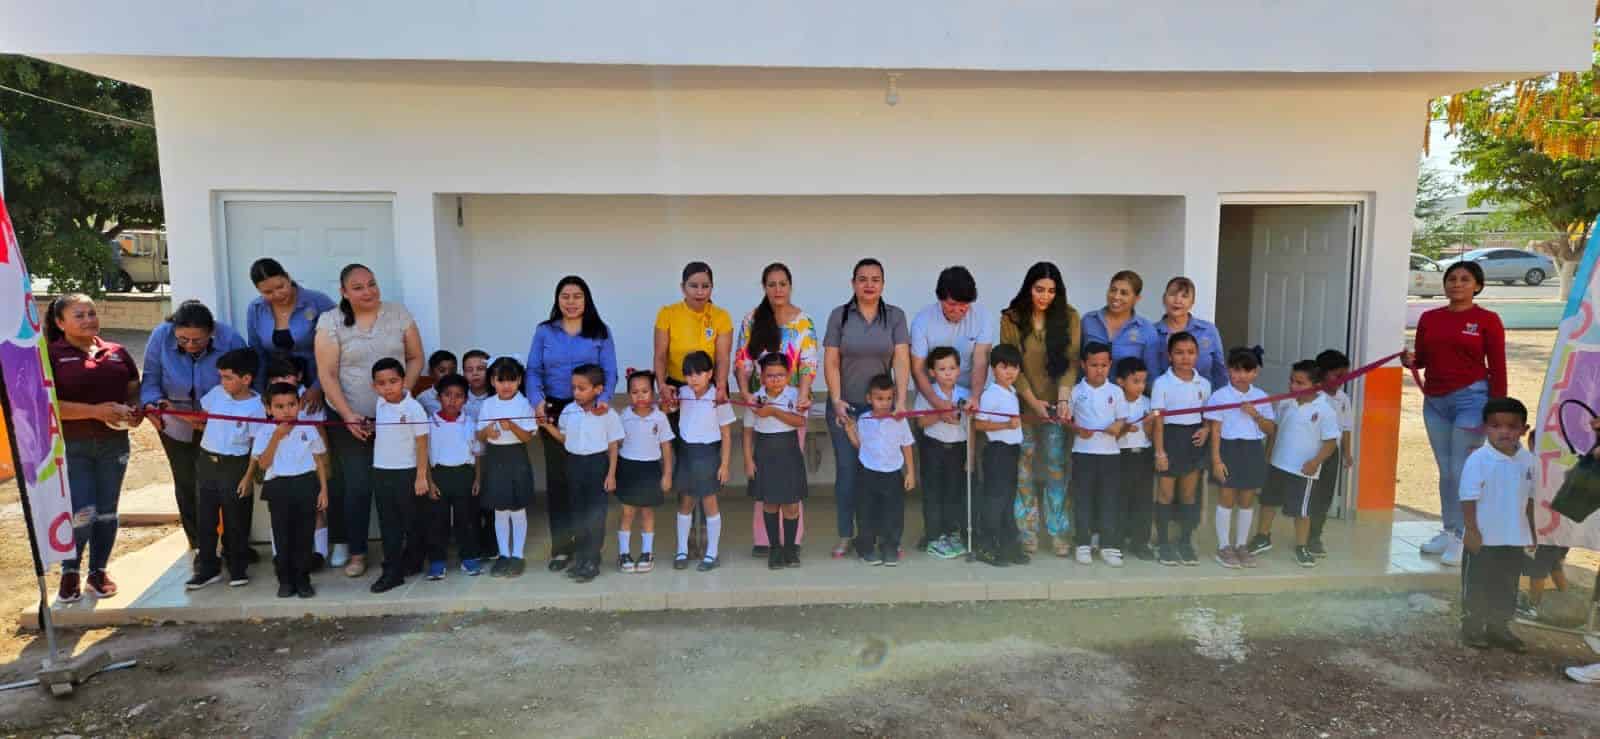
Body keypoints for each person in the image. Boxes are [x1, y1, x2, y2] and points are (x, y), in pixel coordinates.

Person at [313, 263, 424, 577]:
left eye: (372, 284)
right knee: (358, 487)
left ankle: (405, 551)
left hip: (396, 419)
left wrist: (401, 397)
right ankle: (357, 552)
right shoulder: (331, 322)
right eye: (358, 287)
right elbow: (327, 373)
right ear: (344, 292)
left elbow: (416, 357)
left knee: (399, 487)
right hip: (352, 422)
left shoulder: (397, 314)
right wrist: (348, 416)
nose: (368, 292)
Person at [1401, 260, 1506, 567]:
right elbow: (1421, 359)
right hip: (1435, 402)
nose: (1456, 284)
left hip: (1471, 400)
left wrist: (1497, 411)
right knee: (1446, 471)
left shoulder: (1487, 320)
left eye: (1464, 279)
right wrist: (1410, 359)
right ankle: (1449, 531)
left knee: (1462, 470)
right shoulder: (1429, 317)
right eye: (1451, 279)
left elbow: (1497, 366)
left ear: (1477, 286)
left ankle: (1463, 536)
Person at [47, 294, 141, 602]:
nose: (88, 319)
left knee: (107, 512)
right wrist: (96, 411)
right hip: (73, 446)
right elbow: (46, 406)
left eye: (91, 313)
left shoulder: (116, 352)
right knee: (82, 510)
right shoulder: (50, 356)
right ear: (60, 323)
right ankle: (69, 571)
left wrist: (134, 411)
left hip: (114, 445)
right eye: (79, 315)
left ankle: (98, 572)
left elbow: (133, 391)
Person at [139, 299, 249, 559]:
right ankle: (200, 546)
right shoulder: (159, 337)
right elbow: (151, 380)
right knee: (187, 483)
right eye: (182, 339)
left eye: (197, 340)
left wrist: (220, 415)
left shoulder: (230, 338)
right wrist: (155, 406)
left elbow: (247, 381)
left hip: (220, 421)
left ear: (211, 332)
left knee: (229, 484)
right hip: (175, 423)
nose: (189, 345)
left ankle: (235, 547)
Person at [527, 275, 619, 571]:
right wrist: (537, 401)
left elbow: (610, 370)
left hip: (591, 410)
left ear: (586, 299)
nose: (570, 302)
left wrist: (603, 399)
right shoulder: (544, 331)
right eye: (564, 296)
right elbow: (532, 370)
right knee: (560, 482)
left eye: (577, 296)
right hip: (555, 410)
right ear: (557, 300)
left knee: (590, 485)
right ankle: (562, 549)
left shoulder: (600, 332)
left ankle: (590, 550)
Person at [824, 258, 911, 558]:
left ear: (883, 284)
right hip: (846, 408)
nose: (869, 284)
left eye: (875, 279)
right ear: (853, 283)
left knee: (885, 476)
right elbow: (832, 361)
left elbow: (901, 360)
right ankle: (848, 535)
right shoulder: (840, 316)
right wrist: (836, 400)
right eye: (862, 279)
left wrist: (899, 401)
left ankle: (888, 538)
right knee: (849, 474)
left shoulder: (895, 317)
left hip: (883, 409)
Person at [733, 263, 818, 558]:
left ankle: (792, 541)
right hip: (759, 408)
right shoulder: (752, 320)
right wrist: (746, 395)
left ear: (790, 286)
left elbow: (808, 364)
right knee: (764, 476)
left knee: (790, 479)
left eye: (783, 284)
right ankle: (766, 540)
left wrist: (804, 397)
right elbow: (743, 361)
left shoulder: (803, 322)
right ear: (764, 287)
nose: (778, 289)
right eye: (771, 284)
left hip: (792, 407)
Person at [998, 261, 1081, 557]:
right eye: (1039, 289)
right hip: (1023, 406)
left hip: (1058, 406)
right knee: (1024, 470)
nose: (1044, 296)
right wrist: (1033, 402)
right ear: (1028, 287)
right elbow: (1011, 365)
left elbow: (1072, 362)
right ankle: (1026, 531)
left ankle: (1059, 532)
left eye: (1050, 291)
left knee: (1057, 468)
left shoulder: (1070, 317)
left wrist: (1062, 400)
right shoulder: (1011, 317)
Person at [1457, 396, 1536, 652]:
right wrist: (1471, 530)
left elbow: (1530, 499)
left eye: (1512, 426)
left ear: (1524, 430)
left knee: (1507, 585)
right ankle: (1472, 628)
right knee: (1477, 584)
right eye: (1495, 425)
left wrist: (1532, 532)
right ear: (1485, 428)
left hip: (1514, 538)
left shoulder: (1528, 460)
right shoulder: (1478, 460)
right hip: (1483, 538)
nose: (1504, 432)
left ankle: (1499, 628)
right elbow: (1468, 497)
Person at [185, 348, 264, 590]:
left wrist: (248, 477)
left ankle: (237, 568)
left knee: (236, 518)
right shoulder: (217, 394)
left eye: (228, 377)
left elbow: (256, 446)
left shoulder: (257, 406)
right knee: (206, 517)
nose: (223, 382)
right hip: (208, 461)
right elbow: (203, 419)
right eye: (221, 376)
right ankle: (208, 568)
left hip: (236, 465)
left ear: (246, 379)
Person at [538, 364, 624, 584]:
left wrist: (611, 474)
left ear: (598, 389)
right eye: (574, 388)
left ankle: (592, 560)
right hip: (574, 464)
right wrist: (548, 427)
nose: (576, 392)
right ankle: (581, 558)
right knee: (577, 513)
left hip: (597, 465)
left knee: (595, 514)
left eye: (582, 388)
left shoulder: (608, 414)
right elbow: (565, 439)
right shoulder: (568, 411)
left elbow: (613, 445)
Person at [1251, 360, 1340, 568]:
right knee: (1268, 502)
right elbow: (1276, 431)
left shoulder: (1325, 410)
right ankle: (1262, 537)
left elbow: (1330, 443)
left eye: (1300, 383)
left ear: (1316, 384)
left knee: (1301, 511)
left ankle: (1302, 546)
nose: (1293, 386)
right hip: (1277, 465)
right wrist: (1268, 456)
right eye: (1292, 381)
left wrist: (1316, 462)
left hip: (1304, 470)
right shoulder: (1285, 404)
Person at [254, 382, 329, 599]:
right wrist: (277, 437)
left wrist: (323, 490)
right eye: (279, 406)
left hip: (305, 484)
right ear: (269, 409)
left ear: (299, 405)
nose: (287, 410)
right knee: (282, 536)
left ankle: (303, 579)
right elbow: (263, 464)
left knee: (304, 536)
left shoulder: (308, 428)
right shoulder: (265, 432)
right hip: (278, 487)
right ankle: (285, 580)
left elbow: (319, 460)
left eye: (291, 404)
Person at [1204, 347, 1276, 569]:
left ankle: (1241, 545)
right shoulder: (1219, 396)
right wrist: (1216, 460)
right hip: (1228, 449)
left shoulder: (1261, 396)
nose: (1241, 375)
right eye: (1236, 370)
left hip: (1252, 449)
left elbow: (1270, 429)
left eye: (1247, 370)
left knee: (1246, 500)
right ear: (1228, 371)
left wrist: (1256, 415)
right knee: (1226, 497)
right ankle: (1224, 546)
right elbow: (1215, 431)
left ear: (1256, 372)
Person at [367, 357, 430, 593]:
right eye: (381, 383)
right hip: (382, 471)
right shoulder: (380, 404)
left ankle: (413, 561)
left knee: (411, 522)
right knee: (389, 524)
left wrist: (421, 476)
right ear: (374, 386)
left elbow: (422, 443)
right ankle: (392, 571)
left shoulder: (414, 408)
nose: (388, 387)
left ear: (403, 381)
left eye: (393, 381)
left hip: (407, 473)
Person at [263, 355, 332, 568]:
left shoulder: (310, 399)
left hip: (309, 465)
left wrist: (326, 466)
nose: (279, 381)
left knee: (315, 511)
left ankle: (318, 554)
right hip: (279, 468)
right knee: (280, 518)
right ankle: (280, 557)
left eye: (285, 376)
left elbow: (320, 433)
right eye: (274, 378)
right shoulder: (268, 401)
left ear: (299, 377)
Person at [841, 374, 916, 567]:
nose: (884, 403)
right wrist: (850, 430)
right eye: (879, 398)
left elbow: (906, 445)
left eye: (889, 398)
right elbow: (860, 446)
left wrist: (910, 473)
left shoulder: (899, 420)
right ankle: (866, 548)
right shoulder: (864, 419)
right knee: (866, 512)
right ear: (869, 399)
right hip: (868, 473)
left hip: (892, 474)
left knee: (892, 513)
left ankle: (890, 547)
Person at [1151, 331, 1212, 566]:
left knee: (1188, 494)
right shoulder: (1162, 383)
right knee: (1165, 494)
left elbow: (1208, 416)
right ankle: (1163, 543)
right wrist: (1159, 452)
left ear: (1197, 355)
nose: (1185, 358)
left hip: (1193, 442)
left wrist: (1206, 429)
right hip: (1168, 439)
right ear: (1169, 356)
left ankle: (1185, 541)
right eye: (1179, 352)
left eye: (1190, 352)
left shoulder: (1204, 384)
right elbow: (1158, 420)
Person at [742, 354, 808, 570]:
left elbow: (799, 421)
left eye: (780, 375)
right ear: (761, 377)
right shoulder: (755, 400)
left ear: (788, 375)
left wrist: (774, 411)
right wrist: (748, 460)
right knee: (770, 503)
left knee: (790, 504)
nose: (775, 379)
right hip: (765, 453)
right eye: (770, 375)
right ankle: (775, 549)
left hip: (788, 452)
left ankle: (790, 549)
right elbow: (747, 432)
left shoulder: (796, 395)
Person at [475, 357, 539, 577]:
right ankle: (503, 554)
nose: (506, 385)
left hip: (516, 457)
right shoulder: (488, 403)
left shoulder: (523, 403)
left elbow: (527, 437)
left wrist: (511, 425)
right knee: (500, 509)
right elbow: (479, 433)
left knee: (517, 508)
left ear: (519, 380)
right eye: (501, 380)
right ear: (493, 381)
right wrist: (487, 433)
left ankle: (518, 555)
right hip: (495, 458)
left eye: (511, 380)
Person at [672, 351, 736, 571]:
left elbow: (726, 434)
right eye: (689, 374)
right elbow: (666, 408)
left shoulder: (719, 398)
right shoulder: (682, 393)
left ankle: (712, 553)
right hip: (687, 452)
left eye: (699, 373)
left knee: (709, 503)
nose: (694, 379)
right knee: (686, 503)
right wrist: (667, 399)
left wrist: (725, 464)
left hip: (708, 453)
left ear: (710, 374)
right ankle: (681, 550)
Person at [244, 258, 338, 403]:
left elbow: (338, 347)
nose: (277, 294)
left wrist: (319, 387)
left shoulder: (318, 301)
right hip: (278, 387)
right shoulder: (255, 309)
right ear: (258, 290)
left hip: (321, 380)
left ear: (288, 277)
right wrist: (261, 392)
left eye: (280, 287)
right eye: (268, 292)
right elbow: (258, 353)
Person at [1068, 342, 1126, 567]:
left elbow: (1122, 418)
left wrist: (1117, 426)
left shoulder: (1116, 391)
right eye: (1094, 365)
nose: (1099, 369)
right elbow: (1068, 421)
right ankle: (1082, 543)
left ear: (1110, 364)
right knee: (1083, 499)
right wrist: (1076, 429)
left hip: (1110, 454)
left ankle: (1108, 545)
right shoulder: (1076, 391)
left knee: (1109, 499)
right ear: (1084, 365)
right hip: (1083, 453)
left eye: (1104, 365)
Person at [913, 346, 970, 560]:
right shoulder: (928, 393)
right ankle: (933, 537)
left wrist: (970, 456)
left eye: (952, 368)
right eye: (942, 368)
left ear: (959, 370)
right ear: (932, 372)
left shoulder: (965, 394)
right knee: (933, 493)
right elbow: (920, 421)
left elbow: (969, 426)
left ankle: (950, 532)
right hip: (933, 448)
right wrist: (942, 413)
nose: (948, 372)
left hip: (958, 449)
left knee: (953, 493)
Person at [615, 370, 674, 573]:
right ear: (628, 394)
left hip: (650, 469)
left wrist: (667, 474)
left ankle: (647, 552)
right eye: (634, 392)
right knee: (628, 512)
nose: (640, 396)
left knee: (648, 512)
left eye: (645, 391)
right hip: (628, 468)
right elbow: (615, 444)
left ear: (654, 393)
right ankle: (624, 553)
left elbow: (666, 447)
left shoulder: (660, 418)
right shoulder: (623, 417)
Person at [973, 344, 1026, 567]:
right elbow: (979, 424)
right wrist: (1006, 423)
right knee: (994, 501)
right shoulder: (991, 394)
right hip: (997, 453)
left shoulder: (1012, 392)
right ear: (994, 369)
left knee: (1007, 501)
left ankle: (1007, 546)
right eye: (1004, 367)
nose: (1010, 372)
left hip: (1012, 452)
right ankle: (986, 546)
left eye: (1014, 367)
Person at [654, 262, 734, 411]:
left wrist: (721, 386)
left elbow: (723, 358)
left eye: (705, 286)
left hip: (711, 387)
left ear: (712, 287)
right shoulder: (667, 314)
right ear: (683, 287)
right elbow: (660, 355)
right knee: (677, 433)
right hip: (677, 387)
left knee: (713, 432)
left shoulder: (721, 316)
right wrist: (661, 386)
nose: (700, 292)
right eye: (693, 286)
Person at [426, 373, 482, 577]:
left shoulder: (469, 422)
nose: (452, 400)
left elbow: (477, 453)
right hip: (439, 475)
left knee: (466, 520)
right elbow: (424, 455)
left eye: (459, 395)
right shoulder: (430, 423)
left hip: (464, 475)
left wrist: (477, 478)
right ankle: (437, 561)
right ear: (439, 397)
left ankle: (468, 558)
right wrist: (429, 482)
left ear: (465, 400)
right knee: (436, 522)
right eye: (447, 395)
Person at [1309, 349, 1356, 557]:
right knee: (1306, 493)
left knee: (1324, 495)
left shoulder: (1343, 399)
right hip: (1309, 450)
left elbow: (1346, 428)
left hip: (1331, 454)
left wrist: (1347, 453)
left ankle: (1315, 536)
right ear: (1321, 373)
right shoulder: (1310, 395)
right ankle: (1303, 534)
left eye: (1344, 375)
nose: (1342, 380)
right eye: (1337, 375)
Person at [1151, 277, 1228, 391]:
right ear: (1164, 299)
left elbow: (1219, 370)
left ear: (1192, 303)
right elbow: (1148, 372)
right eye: (1172, 294)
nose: (1177, 300)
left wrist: (1219, 402)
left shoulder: (1208, 330)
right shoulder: (1152, 332)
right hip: (1165, 402)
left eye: (1184, 296)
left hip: (1204, 400)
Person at [1114, 357, 1157, 561]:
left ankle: (1141, 542)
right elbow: (1110, 435)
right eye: (1135, 381)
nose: (1141, 386)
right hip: (1121, 456)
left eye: (1143, 381)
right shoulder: (1114, 401)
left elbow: (1151, 436)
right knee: (1120, 499)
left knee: (1143, 501)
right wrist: (1123, 429)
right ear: (1121, 381)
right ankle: (1117, 541)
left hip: (1143, 456)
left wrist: (1148, 425)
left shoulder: (1148, 403)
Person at [1082, 270, 1162, 376]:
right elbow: (1075, 361)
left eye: (1124, 293)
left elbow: (1151, 374)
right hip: (1088, 391)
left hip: (1126, 392)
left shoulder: (1146, 329)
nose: (1116, 296)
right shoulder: (1089, 320)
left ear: (1137, 299)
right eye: (1113, 290)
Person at [414, 350, 457, 416]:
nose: (448, 375)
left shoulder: (462, 395)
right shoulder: (423, 398)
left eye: (452, 371)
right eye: (442, 371)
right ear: (431, 372)